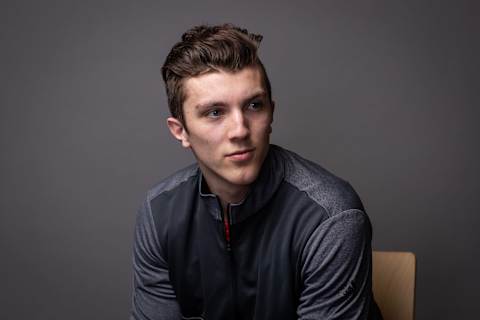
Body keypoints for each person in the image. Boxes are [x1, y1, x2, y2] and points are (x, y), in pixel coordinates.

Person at [130, 23, 382, 320]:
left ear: (271, 112)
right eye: (215, 112)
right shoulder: (159, 213)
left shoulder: (331, 217)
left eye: (253, 105)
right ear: (180, 131)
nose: (240, 130)